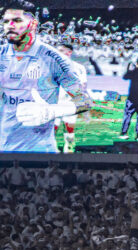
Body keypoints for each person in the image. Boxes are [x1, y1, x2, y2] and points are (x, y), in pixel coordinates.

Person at [0, 1, 92, 152]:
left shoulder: (55, 59)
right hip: (3, 150)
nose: (10, 25)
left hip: (40, 151)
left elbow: (85, 101)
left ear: (33, 23)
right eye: (6, 21)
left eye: (16, 20)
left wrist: (53, 111)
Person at [120, 58, 138, 141]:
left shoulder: (134, 72)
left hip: (132, 98)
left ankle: (124, 133)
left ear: (137, 64)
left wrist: (129, 68)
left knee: (128, 116)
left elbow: (125, 77)